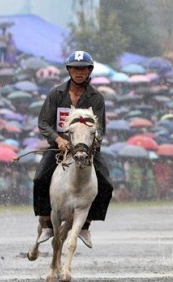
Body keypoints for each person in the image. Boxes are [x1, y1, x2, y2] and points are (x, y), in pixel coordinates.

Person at [33, 50, 113, 248]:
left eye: (83, 68)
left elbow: (100, 128)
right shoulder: (56, 94)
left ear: (89, 71)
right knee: (40, 177)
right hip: (60, 147)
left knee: (106, 183)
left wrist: (87, 144)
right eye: (75, 68)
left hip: (86, 148)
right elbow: (43, 122)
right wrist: (58, 139)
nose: (79, 72)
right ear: (69, 70)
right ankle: (46, 223)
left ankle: (85, 224)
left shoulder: (96, 98)